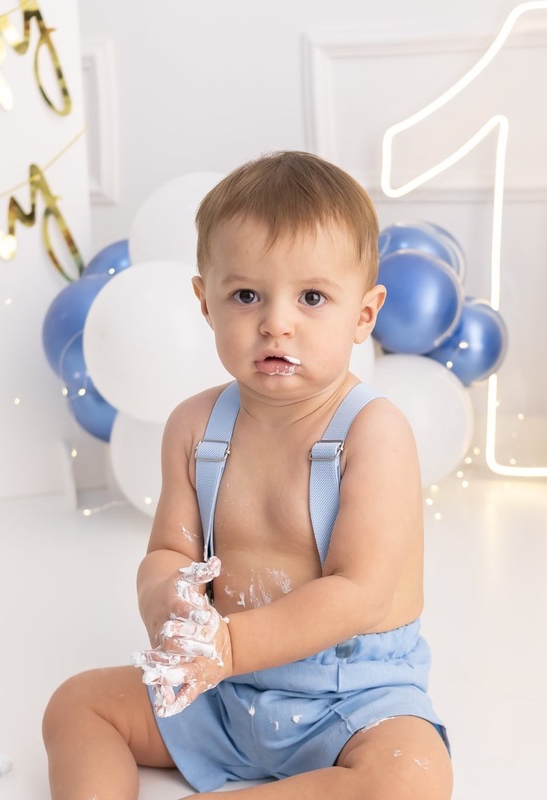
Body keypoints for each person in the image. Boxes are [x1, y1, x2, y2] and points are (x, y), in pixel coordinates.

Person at [42, 151, 451, 799]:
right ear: (205, 303)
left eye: (312, 297)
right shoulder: (195, 427)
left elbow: (360, 591)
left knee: (410, 780)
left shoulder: (373, 433)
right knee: (77, 704)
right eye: (246, 295)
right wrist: (167, 602)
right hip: (220, 691)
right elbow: (170, 549)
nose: (276, 322)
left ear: (364, 316)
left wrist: (231, 646)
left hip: (348, 701)